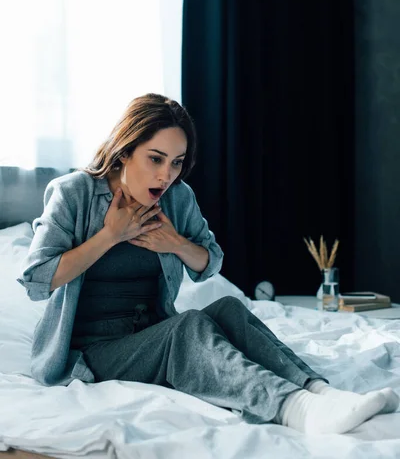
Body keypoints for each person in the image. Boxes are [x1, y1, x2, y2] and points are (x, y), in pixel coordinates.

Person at [18, 93, 399, 434]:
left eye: (177, 163)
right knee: (190, 326)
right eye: (155, 159)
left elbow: (209, 261)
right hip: (91, 351)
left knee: (229, 308)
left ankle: (320, 392)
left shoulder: (176, 198)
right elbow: (37, 280)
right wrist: (110, 236)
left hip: (150, 333)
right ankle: (291, 407)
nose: (166, 175)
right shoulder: (74, 193)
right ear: (124, 150)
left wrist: (176, 243)